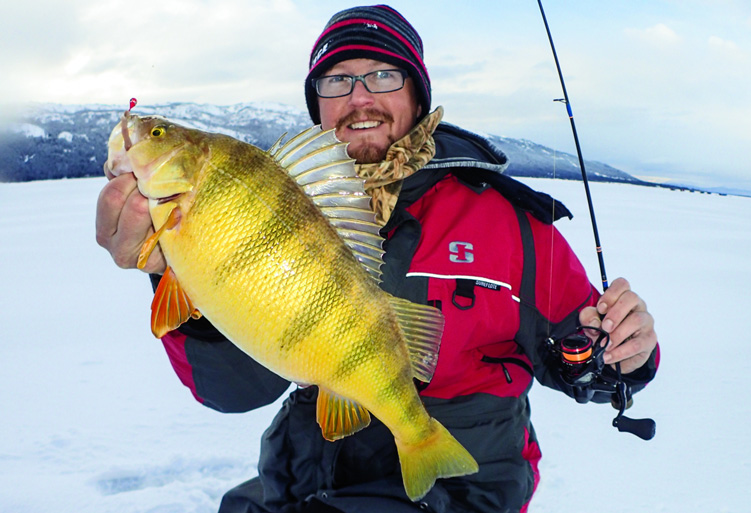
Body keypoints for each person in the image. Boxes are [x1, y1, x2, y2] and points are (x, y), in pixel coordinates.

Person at [96, 5, 659, 512]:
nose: (359, 97)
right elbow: (235, 391)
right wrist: (175, 271)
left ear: (417, 93)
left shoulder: (513, 225)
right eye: (337, 80)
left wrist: (619, 352)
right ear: (317, 103)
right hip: (307, 472)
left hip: (465, 489)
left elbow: (584, 358)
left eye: (383, 75)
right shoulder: (284, 198)